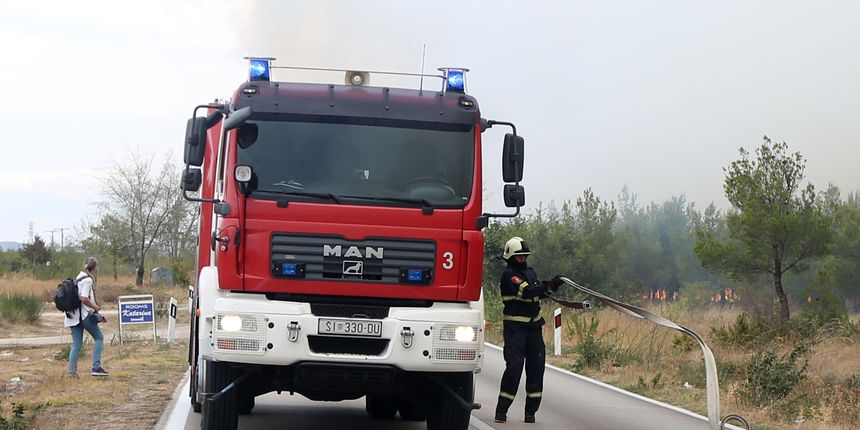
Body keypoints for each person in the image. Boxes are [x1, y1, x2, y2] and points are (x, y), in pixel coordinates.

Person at [494, 237, 562, 424]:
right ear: (510, 257)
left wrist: (550, 286)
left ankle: (530, 412)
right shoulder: (509, 275)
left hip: (534, 329)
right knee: (514, 369)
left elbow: (538, 291)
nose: (523, 259)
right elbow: (528, 292)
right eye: (519, 256)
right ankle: (502, 409)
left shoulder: (531, 273)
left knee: (536, 369)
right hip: (515, 329)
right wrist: (546, 287)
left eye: (524, 256)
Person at [64, 257, 109, 378]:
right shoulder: (88, 280)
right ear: (95, 268)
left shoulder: (78, 278)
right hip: (84, 316)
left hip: (72, 317)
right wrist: (95, 307)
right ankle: (96, 367)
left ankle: (72, 373)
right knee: (99, 337)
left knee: (77, 345)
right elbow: (84, 298)